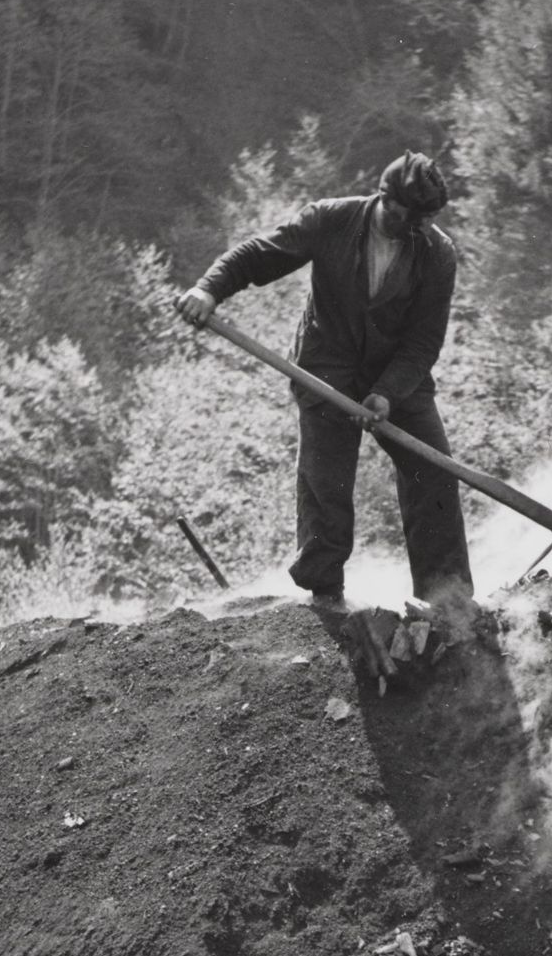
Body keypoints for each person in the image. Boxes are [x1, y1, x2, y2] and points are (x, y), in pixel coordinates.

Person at [175, 152, 473, 622]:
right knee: (325, 480)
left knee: (433, 471)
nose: (415, 228)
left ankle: (447, 601)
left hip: (399, 373)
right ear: (386, 198)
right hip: (327, 365)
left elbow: (423, 342)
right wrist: (209, 289)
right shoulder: (331, 220)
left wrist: (387, 393)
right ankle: (325, 595)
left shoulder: (436, 253)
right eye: (407, 217)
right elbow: (259, 254)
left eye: (424, 221)